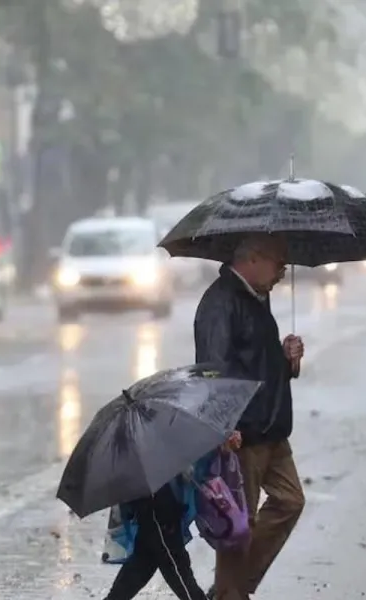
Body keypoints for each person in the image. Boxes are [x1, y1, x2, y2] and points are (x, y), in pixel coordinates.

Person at [193, 234, 306, 600]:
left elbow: (256, 361)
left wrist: (287, 359)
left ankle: (232, 589)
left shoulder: (257, 297)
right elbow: (214, 370)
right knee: (240, 524)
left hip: (272, 426)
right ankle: (230, 593)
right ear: (254, 259)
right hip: (243, 431)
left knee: (290, 501)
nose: (282, 274)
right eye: (279, 264)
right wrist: (224, 425)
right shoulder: (220, 303)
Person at [104, 433, 242, 600]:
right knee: (174, 564)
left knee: (143, 562)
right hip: (156, 503)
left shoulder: (153, 424)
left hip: (159, 499)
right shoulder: (143, 430)